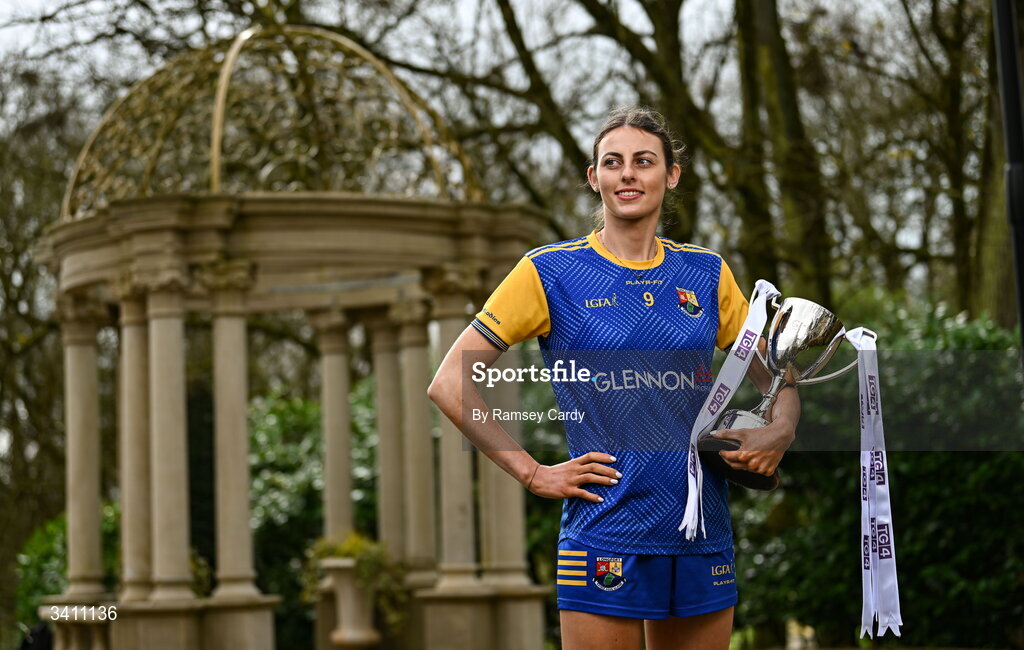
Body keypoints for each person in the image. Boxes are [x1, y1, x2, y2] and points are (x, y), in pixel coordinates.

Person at [428, 107, 800, 650]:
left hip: (700, 531)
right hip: (605, 529)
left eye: (644, 161)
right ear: (594, 177)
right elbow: (449, 383)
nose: (628, 173)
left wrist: (780, 430)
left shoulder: (707, 273)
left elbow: (780, 373)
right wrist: (532, 473)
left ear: (671, 175)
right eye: (613, 162)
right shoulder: (548, 272)